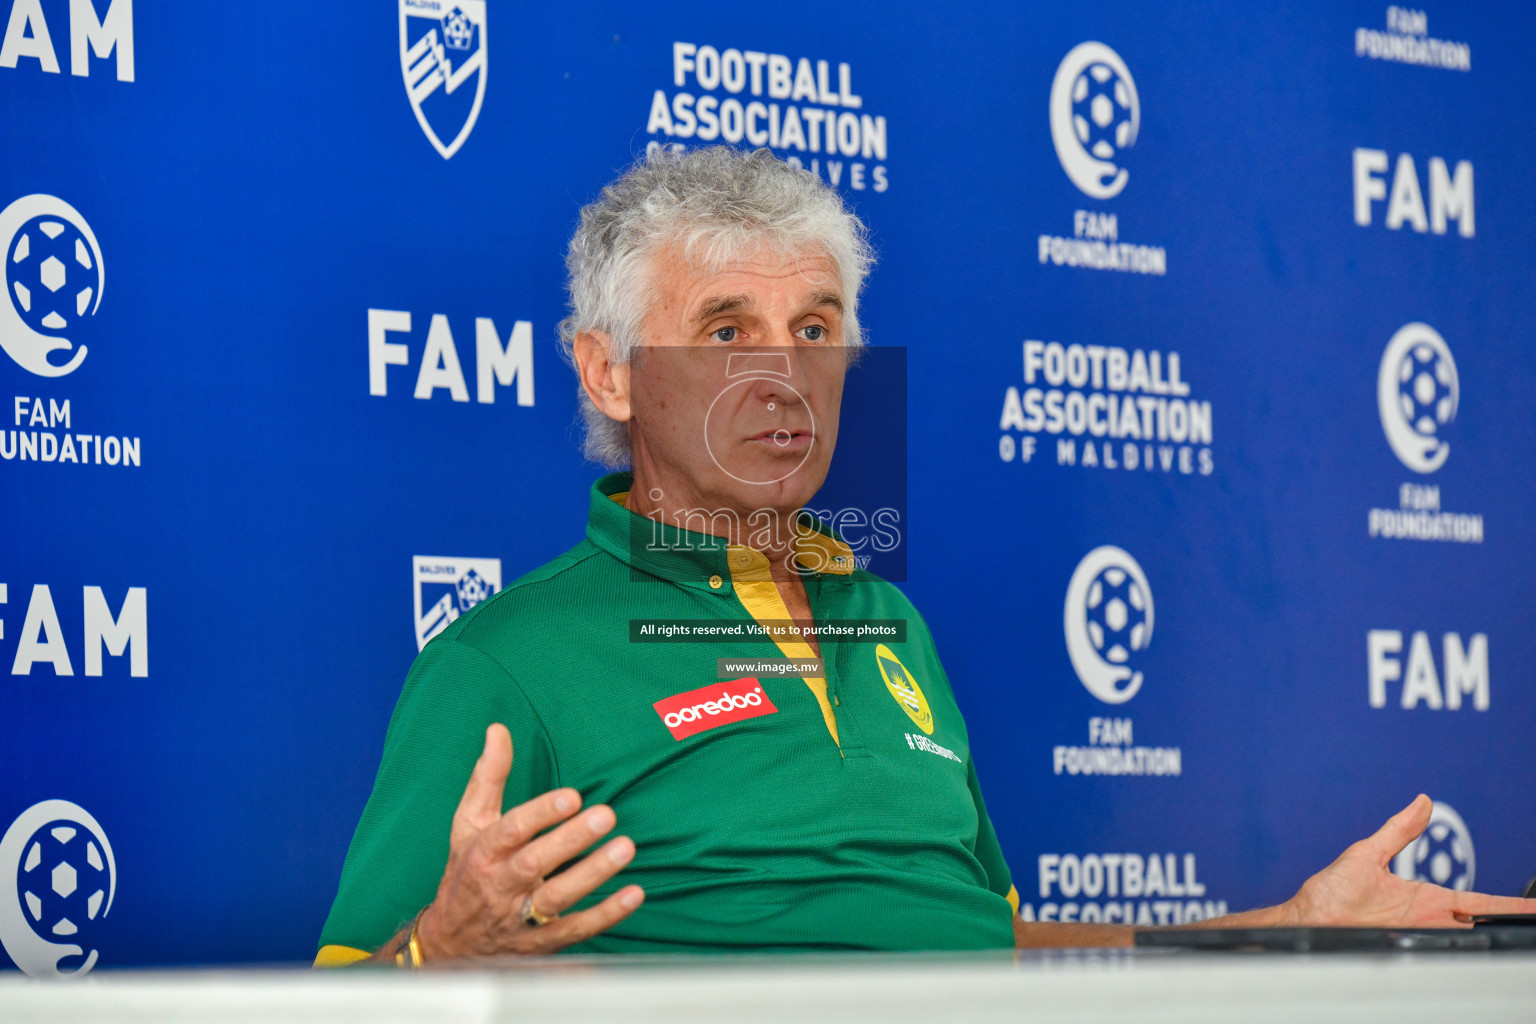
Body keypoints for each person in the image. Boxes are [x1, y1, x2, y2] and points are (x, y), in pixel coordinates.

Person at [315, 146, 1535, 966]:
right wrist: (438, 949)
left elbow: (986, 950)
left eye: (815, 327)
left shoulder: (888, 625)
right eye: (724, 329)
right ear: (609, 372)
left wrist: (1289, 926)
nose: (780, 370)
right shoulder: (505, 663)